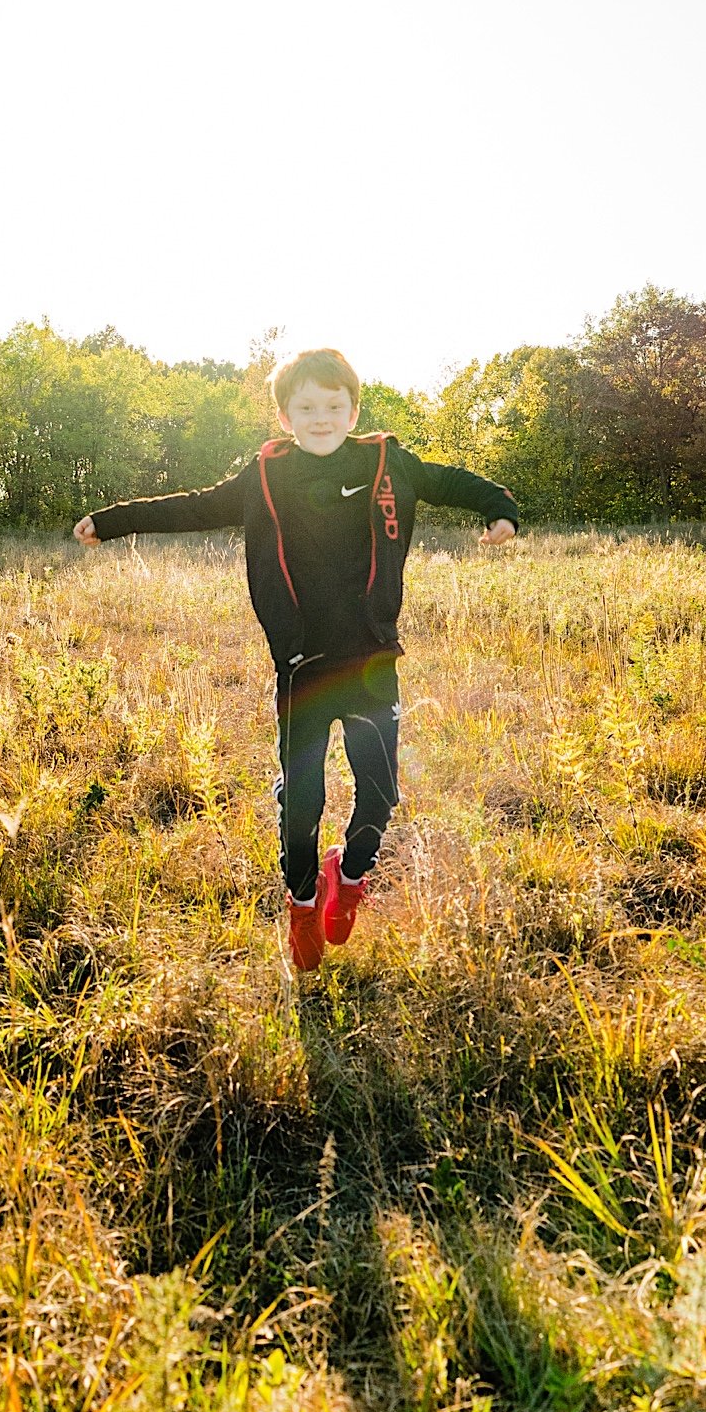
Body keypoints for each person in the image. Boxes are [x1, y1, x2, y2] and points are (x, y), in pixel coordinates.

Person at [74, 347, 518, 973]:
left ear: (353, 409)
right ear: (285, 415)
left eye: (334, 406)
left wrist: (502, 512)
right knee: (303, 800)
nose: (321, 417)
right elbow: (191, 507)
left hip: (371, 662)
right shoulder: (264, 476)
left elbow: (458, 483)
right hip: (302, 668)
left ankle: (353, 875)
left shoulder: (388, 463)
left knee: (381, 792)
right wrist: (113, 521)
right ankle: (303, 901)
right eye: (306, 407)